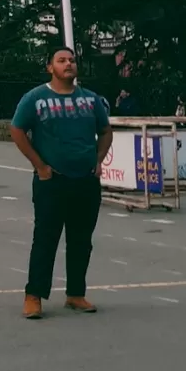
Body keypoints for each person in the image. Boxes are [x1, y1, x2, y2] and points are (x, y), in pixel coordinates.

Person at [11, 47, 112, 319]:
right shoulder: (36, 98)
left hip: (86, 181)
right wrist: (39, 165)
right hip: (52, 180)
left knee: (81, 240)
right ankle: (34, 296)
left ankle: (75, 294)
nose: (68, 64)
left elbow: (105, 131)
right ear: (50, 67)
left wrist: (98, 159)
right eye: (62, 60)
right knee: (45, 239)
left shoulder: (91, 100)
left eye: (72, 60)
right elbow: (17, 130)